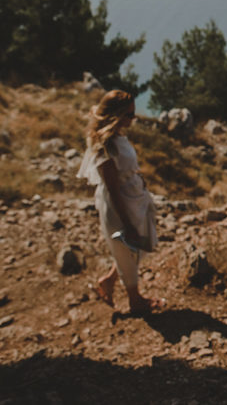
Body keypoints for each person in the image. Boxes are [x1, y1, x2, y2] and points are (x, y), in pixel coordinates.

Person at [78, 89, 164, 315]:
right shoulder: (104, 144)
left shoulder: (119, 136)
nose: (133, 119)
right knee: (126, 247)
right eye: (129, 115)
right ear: (115, 115)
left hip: (135, 195)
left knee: (139, 245)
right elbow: (113, 189)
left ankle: (109, 280)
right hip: (120, 202)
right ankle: (135, 301)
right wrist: (125, 221)